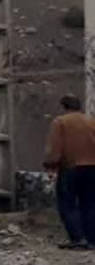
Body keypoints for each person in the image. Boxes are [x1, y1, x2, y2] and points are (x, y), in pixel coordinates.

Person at [44, 94, 95, 250]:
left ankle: (78, 239)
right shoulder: (91, 122)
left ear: (63, 107)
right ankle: (91, 239)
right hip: (92, 168)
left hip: (71, 168)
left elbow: (55, 148)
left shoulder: (60, 122)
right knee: (90, 204)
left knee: (68, 204)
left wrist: (50, 165)